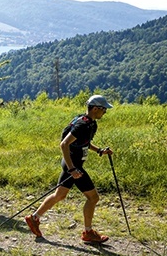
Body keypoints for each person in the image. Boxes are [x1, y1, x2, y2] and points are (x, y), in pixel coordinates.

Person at [25, 95, 114, 243]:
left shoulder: (89, 123)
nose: (105, 112)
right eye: (104, 109)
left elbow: (84, 142)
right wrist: (72, 169)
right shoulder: (83, 125)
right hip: (73, 166)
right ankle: (88, 232)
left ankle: (34, 218)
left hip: (71, 165)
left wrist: (99, 151)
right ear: (96, 108)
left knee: (59, 195)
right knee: (93, 198)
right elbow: (64, 144)